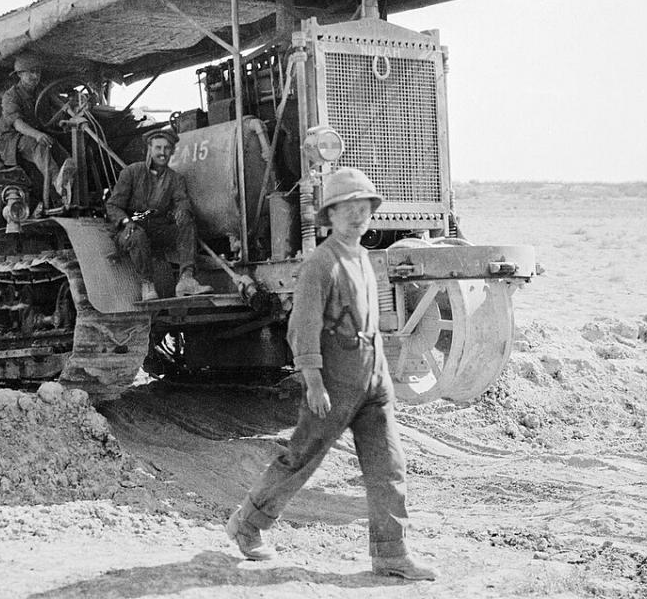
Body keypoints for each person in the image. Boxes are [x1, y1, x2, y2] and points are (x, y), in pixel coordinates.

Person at [226, 168, 437, 581]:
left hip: (373, 381)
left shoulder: (361, 256)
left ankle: (391, 553)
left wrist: (383, 376)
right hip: (335, 384)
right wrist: (314, 382)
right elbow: (301, 328)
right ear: (331, 215)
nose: (357, 216)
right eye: (348, 209)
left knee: (388, 466)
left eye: (363, 208)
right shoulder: (321, 263)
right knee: (301, 459)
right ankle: (247, 525)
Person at [105, 128, 212, 300]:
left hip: (156, 232)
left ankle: (186, 279)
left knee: (187, 223)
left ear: (172, 151)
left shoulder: (175, 179)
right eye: (158, 148)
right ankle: (147, 284)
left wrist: (182, 211)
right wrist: (126, 222)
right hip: (128, 231)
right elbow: (113, 206)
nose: (162, 153)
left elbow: (182, 200)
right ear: (149, 149)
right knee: (137, 235)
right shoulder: (132, 173)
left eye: (167, 148)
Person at [0, 54, 72, 206]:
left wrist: (67, 116)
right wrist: (37, 134)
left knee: (63, 154)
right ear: (19, 74)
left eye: (37, 71)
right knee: (40, 146)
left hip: (40, 133)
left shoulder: (43, 90)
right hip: (15, 140)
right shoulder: (10, 96)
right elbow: (18, 124)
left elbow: (60, 107)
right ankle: (57, 181)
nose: (35, 76)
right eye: (30, 72)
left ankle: (67, 190)